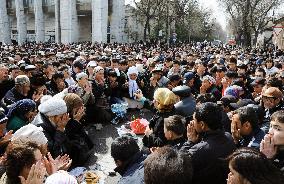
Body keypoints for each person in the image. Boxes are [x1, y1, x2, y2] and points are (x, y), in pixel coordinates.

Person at [181, 102, 235, 184]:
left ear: (202, 125)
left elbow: (179, 163)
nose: (192, 123)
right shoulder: (229, 137)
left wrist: (190, 141)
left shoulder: (198, 151)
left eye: (194, 120)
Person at [64, 93, 94, 167]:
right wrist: (76, 121)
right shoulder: (64, 116)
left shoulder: (78, 112)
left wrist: (79, 119)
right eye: (77, 108)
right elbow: (68, 134)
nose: (80, 110)